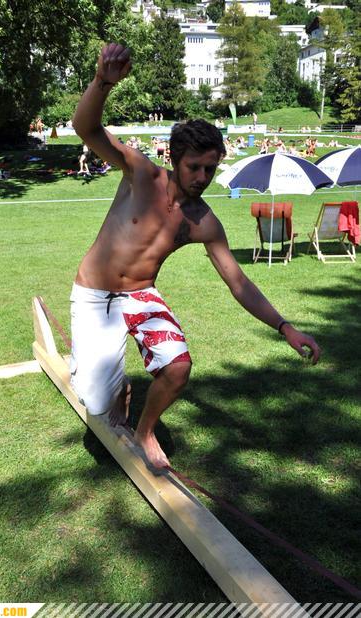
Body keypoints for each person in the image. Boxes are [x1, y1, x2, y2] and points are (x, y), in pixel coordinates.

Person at [71, 43, 321, 469]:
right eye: (194, 167)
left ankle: (145, 431)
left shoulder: (204, 222)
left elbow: (238, 282)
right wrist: (102, 82)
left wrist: (285, 327)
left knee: (178, 367)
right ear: (174, 159)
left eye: (210, 168)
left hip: (140, 294)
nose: (202, 177)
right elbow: (86, 128)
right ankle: (115, 389)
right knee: (95, 402)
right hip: (94, 294)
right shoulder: (140, 174)